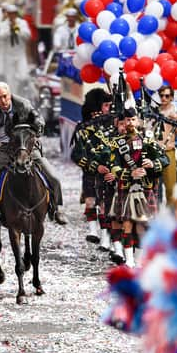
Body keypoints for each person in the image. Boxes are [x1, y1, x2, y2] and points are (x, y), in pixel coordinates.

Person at [0, 82, 66, 232]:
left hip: (27, 148)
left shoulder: (23, 104)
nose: (3, 101)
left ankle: (56, 209)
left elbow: (38, 119)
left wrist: (35, 125)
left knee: (54, 177)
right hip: (6, 150)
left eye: (5, 96)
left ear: (10, 94)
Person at [110, 107, 168, 267]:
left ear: (138, 121)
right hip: (127, 187)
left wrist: (152, 164)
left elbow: (164, 160)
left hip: (145, 187)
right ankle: (128, 259)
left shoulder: (148, 140)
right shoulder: (117, 143)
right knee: (127, 223)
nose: (130, 123)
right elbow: (113, 166)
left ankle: (139, 258)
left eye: (133, 119)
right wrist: (129, 173)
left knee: (143, 224)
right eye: (127, 120)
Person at [71, 88, 112, 246]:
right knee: (90, 202)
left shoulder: (112, 126)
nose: (109, 108)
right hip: (91, 173)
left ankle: (106, 237)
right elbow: (76, 156)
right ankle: (93, 231)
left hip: (108, 173)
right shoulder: (83, 129)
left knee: (104, 206)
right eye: (106, 105)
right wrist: (94, 166)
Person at [0, 4, 30, 97]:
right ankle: (13, 97)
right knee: (10, 79)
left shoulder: (22, 23)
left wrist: (17, 29)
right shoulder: (3, 24)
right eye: (10, 14)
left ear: (16, 14)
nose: (12, 16)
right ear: (7, 14)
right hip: (8, 55)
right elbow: (0, 36)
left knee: (23, 76)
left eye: (13, 14)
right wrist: (9, 30)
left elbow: (27, 36)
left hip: (20, 54)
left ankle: (21, 92)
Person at [156, 85, 177, 206]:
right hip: (155, 152)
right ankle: (155, 214)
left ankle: (171, 214)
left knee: (171, 186)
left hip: (168, 151)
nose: (164, 98)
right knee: (155, 186)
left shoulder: (176, 112)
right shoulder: (154, 111)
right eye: (161, 95)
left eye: (167, 95)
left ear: (171, 97)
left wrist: (176, 122)